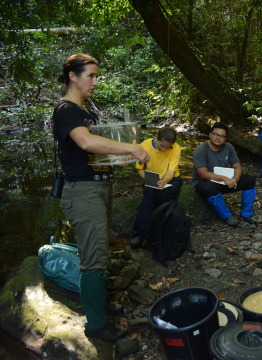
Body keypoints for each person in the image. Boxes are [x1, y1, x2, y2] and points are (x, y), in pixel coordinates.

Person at [52, 54, 149, 342]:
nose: (95, 81)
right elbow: (85, 142)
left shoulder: (84, 112)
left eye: (97, 76)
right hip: (82, 192)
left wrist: (116, 157)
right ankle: (96, 325)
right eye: (91, 75)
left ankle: (99, 306)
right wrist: (131, 148)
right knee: (93, 260)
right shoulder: (65, 110)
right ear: (73, 76)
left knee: (99, 252)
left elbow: (93, 154)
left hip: (98, 187)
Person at [192, 122, 256, 227]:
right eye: (215, 134)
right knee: (209, 187)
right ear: (210, 134)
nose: (218, 138)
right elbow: (202, 174)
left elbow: (237, 166)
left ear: (226, 138)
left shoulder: (228, 147)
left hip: (223, 181)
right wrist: (224, 178)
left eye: (222, 136)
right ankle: (226, 216)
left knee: (249, 180)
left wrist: (236, 178)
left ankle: (246, 214)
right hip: (204, 183)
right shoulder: (201, 149)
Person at [131, 127, 183, 248]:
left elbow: (171, 173)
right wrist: (151, 180)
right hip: (151, 178)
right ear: (156, 137)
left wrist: (164, 181)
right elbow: (140, 169)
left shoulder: (175, 148)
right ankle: (139, 233)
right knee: (150, 193)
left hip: (172, 179)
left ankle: (154, 234)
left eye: (167, 147)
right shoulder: (144, 146)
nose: (164, 149)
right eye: (161, 146)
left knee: (163, 194)